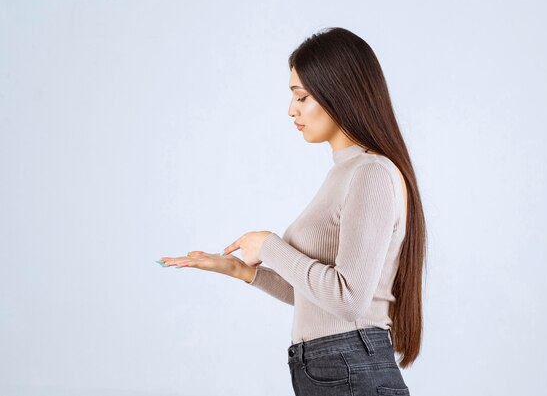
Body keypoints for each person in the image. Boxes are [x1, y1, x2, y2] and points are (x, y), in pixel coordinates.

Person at [159, 27, 427, 396]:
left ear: (340, 94)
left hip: (347, 366)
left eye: (301, 97)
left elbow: (347, 300)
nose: (291, 110)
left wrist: (269, 245)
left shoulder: (371, 173)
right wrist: (240, 270)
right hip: (330, 366)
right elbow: (316, 293)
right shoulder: (347, 171)